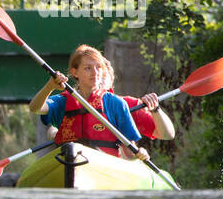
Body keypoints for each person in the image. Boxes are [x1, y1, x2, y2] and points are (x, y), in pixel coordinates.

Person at [29, 44, 172, 161]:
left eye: (99, 68)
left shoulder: (120, 103)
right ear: (75, 73)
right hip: (68, 159)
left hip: (103, 164)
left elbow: (134, 149)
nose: (96, 73)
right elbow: (35, 108)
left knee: (53, 133)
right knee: (54, 133)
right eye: (88, 68)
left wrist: (138, 153)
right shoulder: (64, 100)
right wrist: (50, 86)